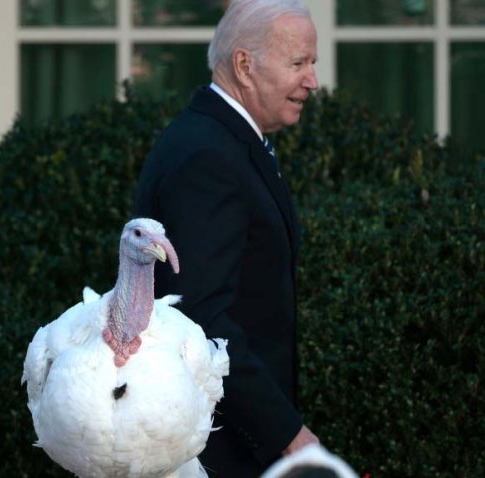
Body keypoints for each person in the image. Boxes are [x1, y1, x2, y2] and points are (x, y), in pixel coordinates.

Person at [132, 0, 320, 475]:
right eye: (298, 63)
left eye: (311, 64)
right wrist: (288, 435)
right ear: (244, 65)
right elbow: (201, 313)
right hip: (216, 449)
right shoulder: (208, 155)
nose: (312, 81)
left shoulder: (223, 139)